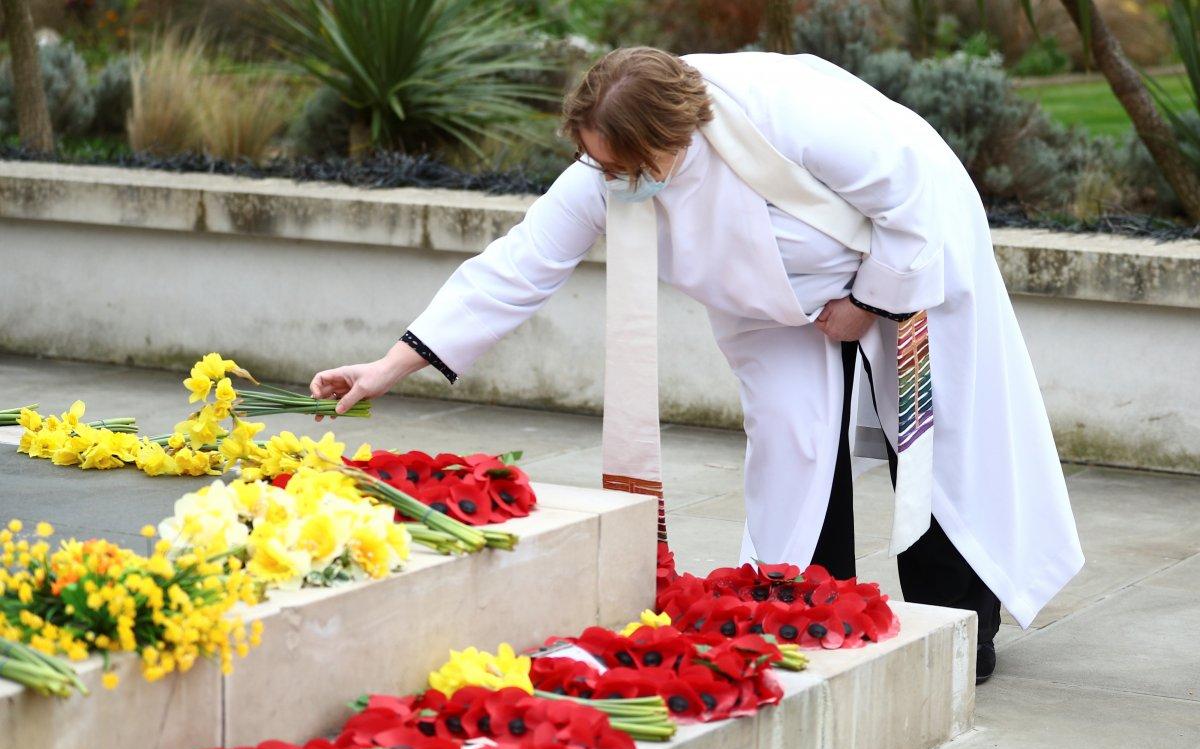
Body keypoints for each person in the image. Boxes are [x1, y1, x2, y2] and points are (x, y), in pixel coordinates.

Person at [309, 47, 1084, 683]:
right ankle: (806, 609)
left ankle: (960, 630)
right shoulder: (609, 167)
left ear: (667, 137)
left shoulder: (789, 113)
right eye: (599, 166)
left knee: (933, 442)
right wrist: (389, 365)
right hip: (771, 300)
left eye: (623, 167)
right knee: (791, 442)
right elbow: (519, 265)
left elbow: (911, 192)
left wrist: (875, 301)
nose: (610, 182)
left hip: (908, 251)